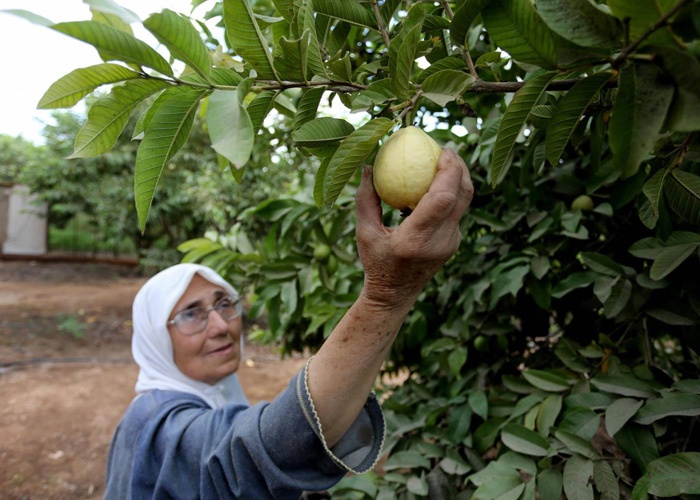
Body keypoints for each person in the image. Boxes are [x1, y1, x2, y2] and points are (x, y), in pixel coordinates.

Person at [104, 149, 474, 499]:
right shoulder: (154, 422)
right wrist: (386, 295)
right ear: (155, 339)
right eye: (190, 314)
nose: (219, 325)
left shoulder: (213, 397)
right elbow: (252, 456)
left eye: (223, 303)